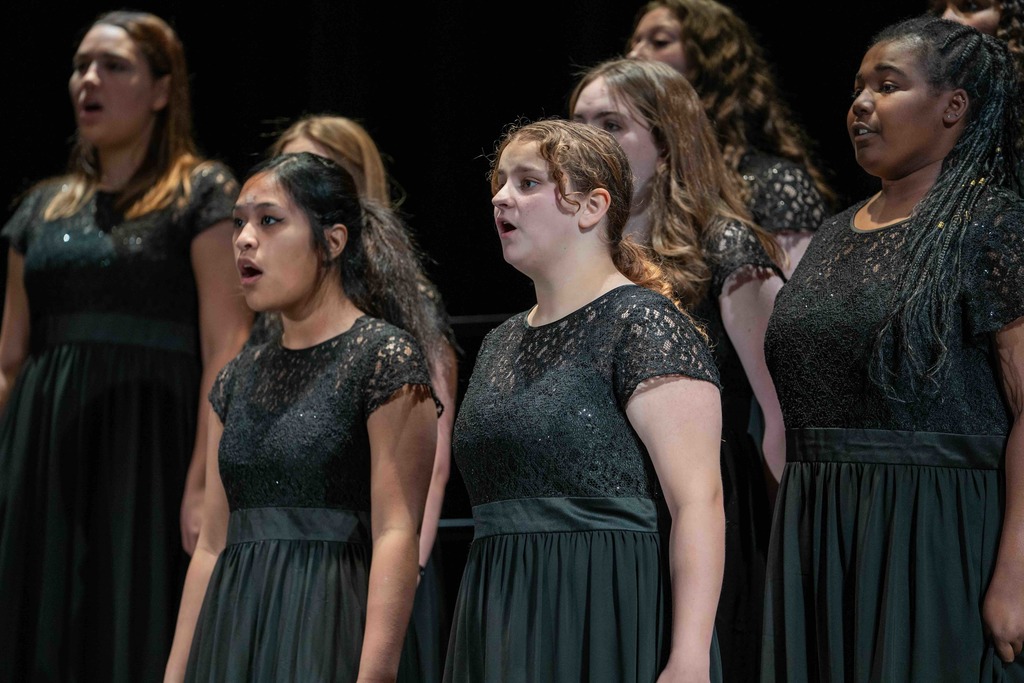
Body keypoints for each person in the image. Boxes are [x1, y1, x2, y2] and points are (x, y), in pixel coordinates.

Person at [761, 16, 1024, 681]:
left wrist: (1015, 575)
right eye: (857, 88)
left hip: (937, 533)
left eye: (887, 85)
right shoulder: (831, 233)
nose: (861, 104)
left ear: (951, 107)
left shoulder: (990, 223)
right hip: (820, 525)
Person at [0, 11, 251, 682]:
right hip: (42, 442)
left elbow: (227, 340)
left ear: (162, 90)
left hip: (149, 440)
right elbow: (9, 358)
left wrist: (204, 477)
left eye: (114, 66)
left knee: (130, 608)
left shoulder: (202, 193)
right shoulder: (42, 207)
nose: (90, 80)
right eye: (81, 65)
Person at [443, 118, 724, 682]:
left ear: (592, 207)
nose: (500, 197)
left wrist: (689, 655)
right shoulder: (501, 342)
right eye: (500, 182)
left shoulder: (643, 323)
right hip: (500, 609)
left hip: (604, 607)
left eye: (527, 183)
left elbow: (699, 501)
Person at [164, 151, 441, 682]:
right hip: (234, 632)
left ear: (332, 242)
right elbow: (211, 545)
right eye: (239, 222)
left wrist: (375, 676)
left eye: (269, 220)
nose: (245, 238)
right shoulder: (235, 378)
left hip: (327, 626)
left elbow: (395, 532)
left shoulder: (382, 359)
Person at [569, 56, 785, 683]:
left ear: (666, 145)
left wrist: (782, 550)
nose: (587, 140)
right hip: (611, 514)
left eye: (610, 124)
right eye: (578, 122)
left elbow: (780, 414)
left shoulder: (727, 252)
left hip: (707, 509)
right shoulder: (582, 259)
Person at [270, 113, 459, 683]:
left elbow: (435, 452)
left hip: (370, 565)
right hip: (287, 565)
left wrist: (411, 567)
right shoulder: (273, 308)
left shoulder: (400, 295)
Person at [626, 0, 836, 278]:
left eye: (660, 42)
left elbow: (796, 309)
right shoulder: (642, 180)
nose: (633, 55)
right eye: (635, 42)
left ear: (710, 63)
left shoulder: (775, 183)